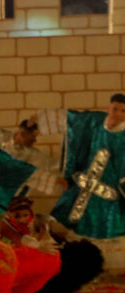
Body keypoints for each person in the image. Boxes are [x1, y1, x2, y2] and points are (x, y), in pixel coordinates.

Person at [51, 93, 125, 239]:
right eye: (115, 109)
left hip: (111, 189)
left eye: (123, 111)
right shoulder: (95, 121)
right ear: (108, 109)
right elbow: (73, 119)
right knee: (70, 219)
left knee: (107, 227)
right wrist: (39, 118)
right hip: (84, 182)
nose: (118, 114)